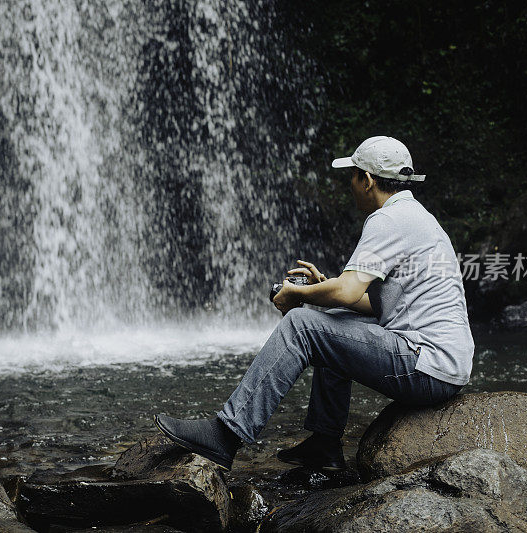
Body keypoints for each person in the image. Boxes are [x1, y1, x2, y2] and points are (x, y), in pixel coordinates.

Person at [154, 136, 474, 471]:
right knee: (332, 321)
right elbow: (374, 303)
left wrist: (299, 294)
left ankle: (226, 434)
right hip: (442, 366)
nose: (349, 184)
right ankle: (324, 444)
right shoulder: (416, 217)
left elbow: (349, 291)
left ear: (367, 181)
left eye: (352, 176)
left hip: (427, 366)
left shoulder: (389, 220)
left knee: (301, 326)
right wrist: (325, 289)